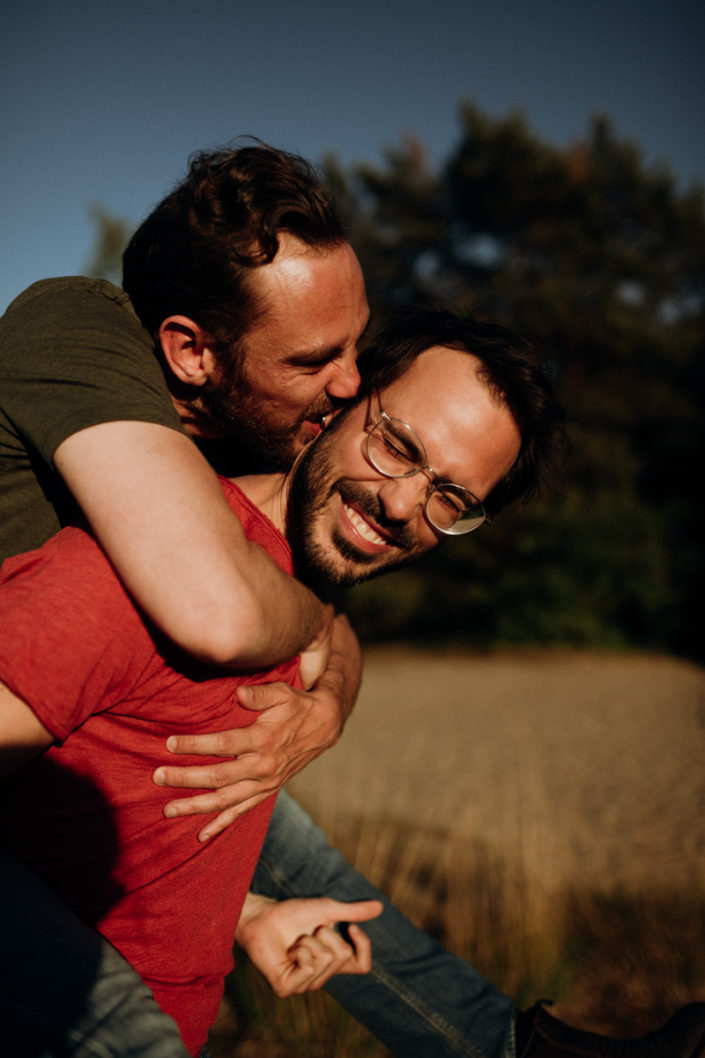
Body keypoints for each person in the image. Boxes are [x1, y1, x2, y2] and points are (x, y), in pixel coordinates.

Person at [3, 309, 704, 1058]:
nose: (403, 504)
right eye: (398, 445)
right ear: (334, 405)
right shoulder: (137, 579)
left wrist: (244, 914)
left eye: (451, 499)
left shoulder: (297, 593)